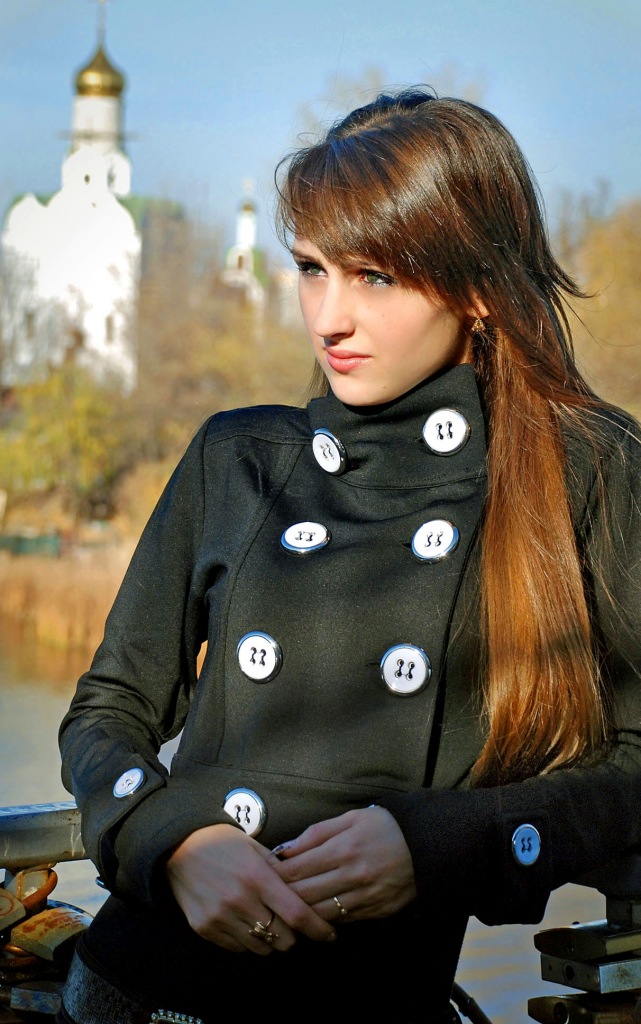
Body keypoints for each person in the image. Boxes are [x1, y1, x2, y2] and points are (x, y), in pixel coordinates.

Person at [58, 88, 641, 1024]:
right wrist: (170, 839)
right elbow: (108, 709)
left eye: (373, 276)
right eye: (310, 268)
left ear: (478, 287)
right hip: (139, 989)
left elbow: (632, 761)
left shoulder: (583, 471)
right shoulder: (239, 459)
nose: (328, 317)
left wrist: (440, 843)